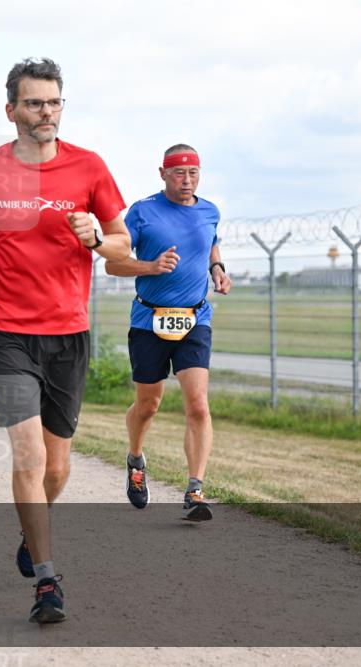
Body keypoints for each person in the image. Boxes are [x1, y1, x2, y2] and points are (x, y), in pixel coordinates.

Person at [0, 58, 131, 623]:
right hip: (2, 329)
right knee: (28, 454)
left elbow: (122, 245)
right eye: (34, 103)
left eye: (54, 102)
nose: (45, 112)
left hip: (67, 334)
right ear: (11, 110)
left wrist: (97, 237)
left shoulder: (89, 166)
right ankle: (47, 582)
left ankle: (32, 534)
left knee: (56, 468)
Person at [104, 144, 231, 522]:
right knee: (149, 405)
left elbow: (211, 244)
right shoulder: (142, 212)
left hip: (195, 319)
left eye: (193, 173)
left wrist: (218, 269)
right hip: (149, 320)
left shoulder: (210, 211)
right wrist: (150, 266)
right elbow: (113, 265)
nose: (187, 180)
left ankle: (195, 489)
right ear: (162, 173)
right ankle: (135, 459)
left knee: (198, 404)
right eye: (178, 173)